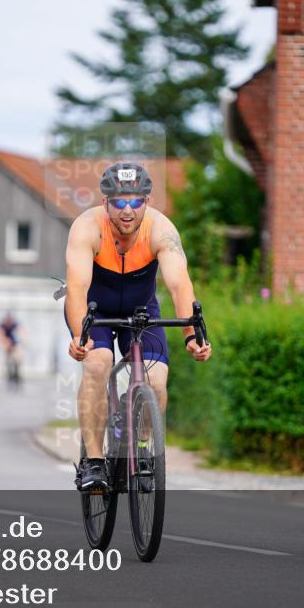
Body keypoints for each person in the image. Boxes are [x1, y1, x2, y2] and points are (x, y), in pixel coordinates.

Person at [65, 162, 212, 491]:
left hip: (141, 309)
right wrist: (79, 336)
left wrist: (192, 335)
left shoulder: (162, 230)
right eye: (119, 202)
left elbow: (179, 285)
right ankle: (93, 462)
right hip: (94, 308)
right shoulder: (87, 228)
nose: (127, 210)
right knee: (98, 363)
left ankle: (143, 449)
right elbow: (76, 287)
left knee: (157, 381)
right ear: (105, 203)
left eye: (136, 201)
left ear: (148, 201)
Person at [0, 311, 21, 390]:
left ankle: (17, 376)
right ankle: (9, 377)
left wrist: (24, 339)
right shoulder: (2, 325)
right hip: (6, 342)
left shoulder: (14, 324)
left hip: (14, 343)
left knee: (18, 359)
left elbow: (20, 331)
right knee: (7, 361)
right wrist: (4, 343)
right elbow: (0, 335)